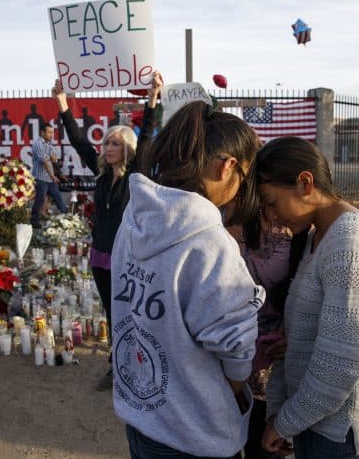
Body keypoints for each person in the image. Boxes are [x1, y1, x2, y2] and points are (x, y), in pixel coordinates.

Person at [112, 100, 264, 458]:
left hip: (142, 416)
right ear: (227, 167)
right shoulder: (210, 243)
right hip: (193, 436)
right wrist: (221, 392)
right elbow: (237, 353)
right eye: (244, 175)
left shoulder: (134, 218)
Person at [255, 137, 359, 459]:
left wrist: (283, 424)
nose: (271, 216)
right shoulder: (320, 233)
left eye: (271, 202)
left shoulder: (349, 245)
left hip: (342, 434)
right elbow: (332, 329)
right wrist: (296, 342)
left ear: (305, 183)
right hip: (319, 421)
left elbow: (339, 367)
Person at [52, 72, 162, 391]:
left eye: (115, 143)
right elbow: (78, 140)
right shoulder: (101, 174)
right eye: (106, 142)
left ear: (127, 148)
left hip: (127, 258)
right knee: (114, 315)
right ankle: (119, 365)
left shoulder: (135, 175)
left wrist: (152, 98)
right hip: (100, 258)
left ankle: (130, 365)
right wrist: (61, 102)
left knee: (129, 315)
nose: (107, 147)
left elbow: (149, 138)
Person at [226, 208, 292, 459]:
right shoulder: (219, 218)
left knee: (263, 448)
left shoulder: (292, 222)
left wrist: (294, 332)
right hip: (226, 360)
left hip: (272, 364)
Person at [30, 123, 67, 229]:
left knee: (57, 196)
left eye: (52, 132)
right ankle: (34, 221)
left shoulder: (49, 144)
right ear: (42, 132)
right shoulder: (38, 145)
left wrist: (52, 158)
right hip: (40, 177)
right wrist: (53, 176)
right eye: (49, 132)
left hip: (49, 178)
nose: (51, 135)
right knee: (40, 199)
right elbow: (46, 162)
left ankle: (67, 217)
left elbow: (54, 158)